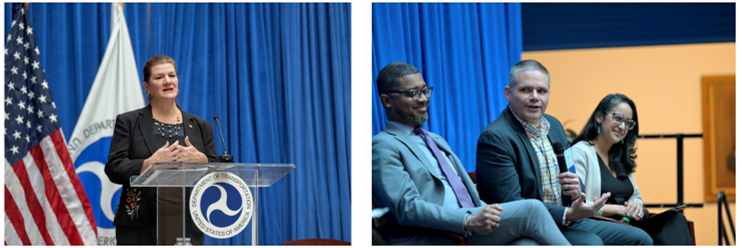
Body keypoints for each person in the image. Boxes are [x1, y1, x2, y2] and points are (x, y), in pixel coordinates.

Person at [372, 62, 570, 245]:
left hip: (471, 221)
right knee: (532, 208)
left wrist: (485, 211)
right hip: (436, 233)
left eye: (425, 91)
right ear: (387, 100)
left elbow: (462, 192)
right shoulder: (383, 145)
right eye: (413, 93)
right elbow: (407, 208)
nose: (423, 98)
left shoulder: (435, 139)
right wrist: (468, 220)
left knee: (526, 245)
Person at [475, 59, 653, 245]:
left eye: (542, 91)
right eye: (526, 90)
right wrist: (567, 213)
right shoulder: (495, 138)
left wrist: (577, 192)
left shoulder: (554, 126)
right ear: (508, 93)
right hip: (523, 227)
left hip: (565, 220)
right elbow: (513, 205)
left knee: (641, 239)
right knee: (591, 243)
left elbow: (572, 177)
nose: (535, 97)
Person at [105, 55, 218, 245]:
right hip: (139, 225)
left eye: (171, 75)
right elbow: (114, 168)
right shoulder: (129, 122)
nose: (167, 81)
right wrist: (149, 165)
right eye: (159, 77)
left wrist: (204, 161)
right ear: (147, 87)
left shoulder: (201, 126)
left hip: (188, 223)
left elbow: (220, 172)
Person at [571, 93, 693, 245]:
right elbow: (577, 204)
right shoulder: (581, 152)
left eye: (628, 123)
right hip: (594, 224)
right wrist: (619, 209)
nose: (622, 127)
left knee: (676, 220)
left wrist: (635, 204)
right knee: (644, 237)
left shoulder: (619, 155)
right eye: (618, 118)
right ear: (599, 117)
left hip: (626, 223)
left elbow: (635, 195)